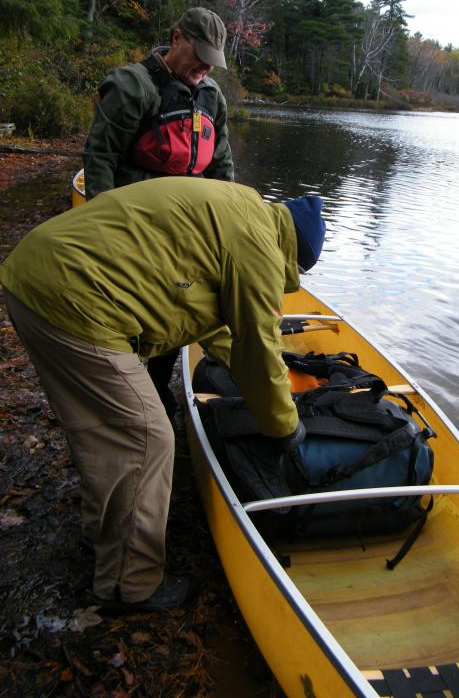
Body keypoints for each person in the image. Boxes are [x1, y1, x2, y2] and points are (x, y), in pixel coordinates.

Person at [0, 178, 326, 612]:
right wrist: (285, 426)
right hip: (76, 298)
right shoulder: (262, 247)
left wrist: (260, 383)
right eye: (298, 274)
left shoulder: (240, 210)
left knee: (105, 434)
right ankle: (133, 585)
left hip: (33, 276)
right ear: (295, 257)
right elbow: (259, 347)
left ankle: (105, 541)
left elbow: (219, 326)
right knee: (148, 437)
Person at [83, 6, 235, 418]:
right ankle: (123, 394)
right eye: (199, 53)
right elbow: (100, 158)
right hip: (133, 224)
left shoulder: (212, 98)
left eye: (212, 60)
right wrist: (101, 229)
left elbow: (221, 166)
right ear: (177, 37)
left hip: (184, 230)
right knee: (131, 311)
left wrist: (231, 226)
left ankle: (156, 384)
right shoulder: (134, 86)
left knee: (180, 308)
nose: (205, 66)